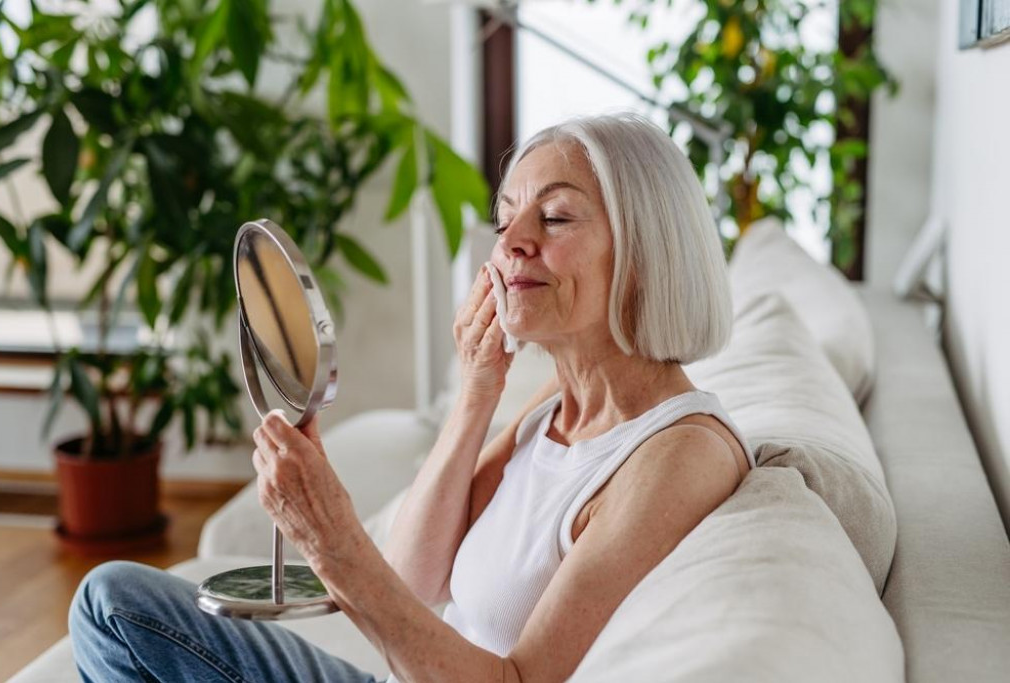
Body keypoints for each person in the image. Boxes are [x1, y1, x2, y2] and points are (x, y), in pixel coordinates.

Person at [69, 112, 756, 683]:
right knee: (114, 601)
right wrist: (476, 392)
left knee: (112, 611)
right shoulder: (558, 405)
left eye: (554, 218)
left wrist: (330, 537)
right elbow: (414, 576)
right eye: (508, 216)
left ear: (644, 252)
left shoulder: (679, 452)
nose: (511, 243)